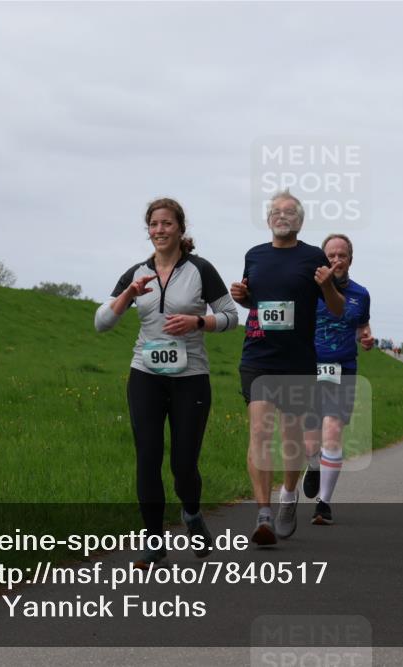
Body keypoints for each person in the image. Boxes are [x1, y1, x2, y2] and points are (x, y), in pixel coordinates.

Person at [95, 198, 238, 568]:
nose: (160, 230)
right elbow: (101, 323)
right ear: (148, 229)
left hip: (191, 378)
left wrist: (199, 323)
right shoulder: (136, 273)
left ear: (180, 228)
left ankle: (191, 513)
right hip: (145, 375)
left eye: (167, 224)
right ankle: (153, 540)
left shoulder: (200, 269)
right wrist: (128, 294)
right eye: (154, 224)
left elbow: (230, 315)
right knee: (147, 457)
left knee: (183, 464)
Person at [230, 190, 345, 546]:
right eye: (276, 212)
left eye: (290, 212)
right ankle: (263, 514)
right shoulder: (254, 255)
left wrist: (327, 286)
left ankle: (289, 496)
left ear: (300, 220)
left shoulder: (313, 257)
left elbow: (338, 308)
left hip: (296, 361)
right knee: (260, 433)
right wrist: (242, 296)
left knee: (291, 438)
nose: (283, 216)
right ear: (268, 219)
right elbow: (256, 298)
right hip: (258, 356)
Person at [300, 234, 373, 526]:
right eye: (331, 255)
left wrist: (365, 336)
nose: (336, 261)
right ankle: (313, 464)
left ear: (350, 260)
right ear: (322, 259)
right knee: (309, 442)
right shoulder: (309, 290)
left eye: (342, 255)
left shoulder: (361, 294)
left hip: (343, 368)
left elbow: (361, 323)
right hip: (309, 367)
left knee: (332, 430)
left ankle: (324, 504)